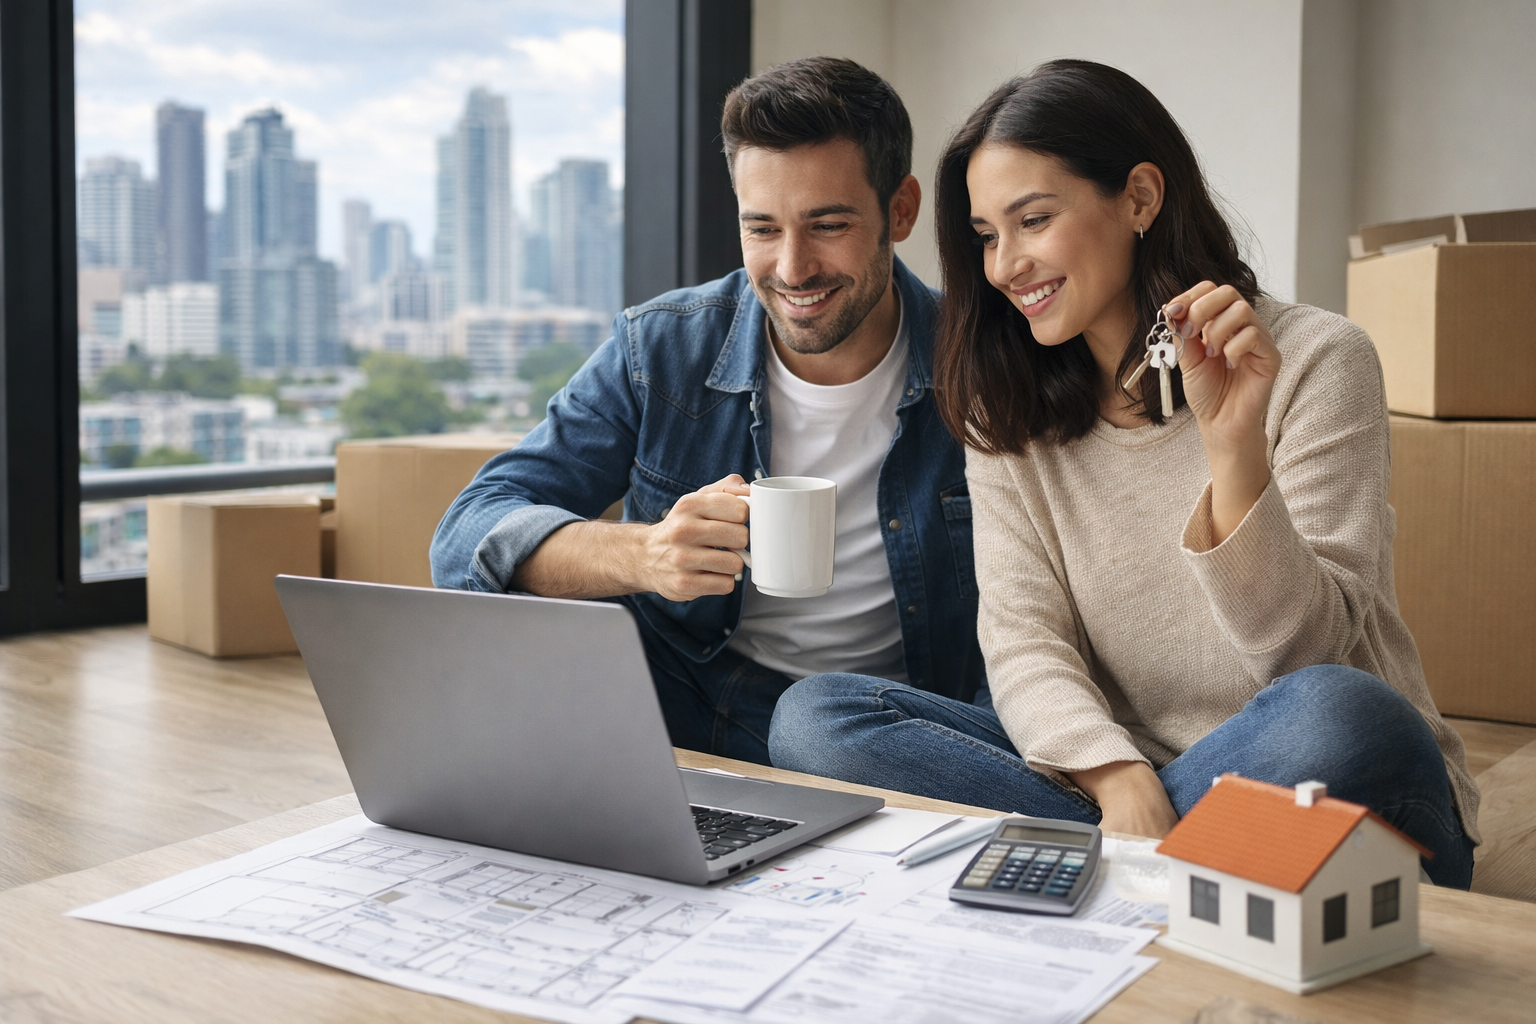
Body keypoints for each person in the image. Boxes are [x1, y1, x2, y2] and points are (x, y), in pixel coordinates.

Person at [767, 60, 1479, 887]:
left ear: (1140, 198)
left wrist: (1233, 448)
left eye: (1033, 220)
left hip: (1326, 774)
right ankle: (1147, 857)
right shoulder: (1009, 407)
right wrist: (1116, 777)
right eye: (988, 236)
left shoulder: (1318, 359)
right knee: (817, 718)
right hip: (1119, 777)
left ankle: (1091, 863)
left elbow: (1309, 654)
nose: (1004, 266)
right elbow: (1023, 640)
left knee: (1343, 711)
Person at [431, 57, 984, 766]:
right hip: (686, 700)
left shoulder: (979, 365)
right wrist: (645, 554)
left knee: (818, 724)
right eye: (762, 229)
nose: (792, 268)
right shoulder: (661, 347)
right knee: (492, 657)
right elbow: (466, 537)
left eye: (827, 224)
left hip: (876, 726)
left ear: (900, 211)